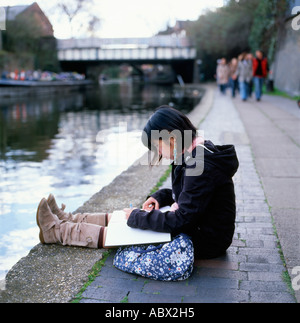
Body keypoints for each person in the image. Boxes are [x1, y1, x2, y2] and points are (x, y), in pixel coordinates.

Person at [36, 106, 239, 259]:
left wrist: (138, 217)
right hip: (199, 227)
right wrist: (158, 197)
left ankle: (57, 231)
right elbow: (189, 195)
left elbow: (182, 219)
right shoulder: (192, 152)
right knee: (129, 217)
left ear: (171, 138)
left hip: (207, 240)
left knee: (125, 229)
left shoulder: (198, 163)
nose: (157, 152)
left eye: (157, 146)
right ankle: (70, 218)